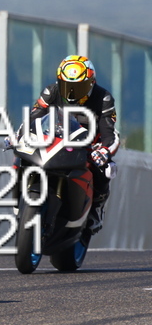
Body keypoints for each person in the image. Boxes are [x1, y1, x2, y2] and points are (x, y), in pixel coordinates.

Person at [12, 55, 119, 235]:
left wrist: (104, 150)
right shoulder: (51, 91)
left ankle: (97, 209)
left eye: (78, 87)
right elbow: (32, 118)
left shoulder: (104, 98)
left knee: (106, 169)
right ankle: (18, 198)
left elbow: (110, 133)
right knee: (20, 154)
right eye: (66, 86)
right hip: (53, 139)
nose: (71, 93)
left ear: (91, 84)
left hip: (87, 145)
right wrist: (19, 136)